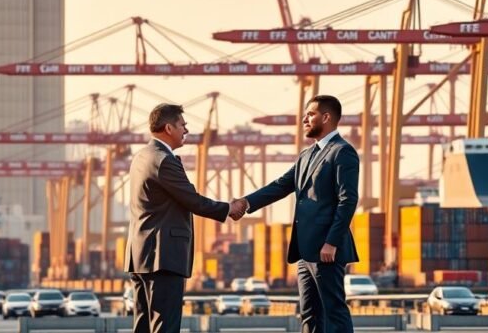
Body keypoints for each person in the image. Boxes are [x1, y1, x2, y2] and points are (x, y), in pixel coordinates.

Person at [233, 95, 359, 333]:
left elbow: (348, 200)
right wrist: (245, 203)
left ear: (327, 117)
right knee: (309, 313)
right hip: (304, 250)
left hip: (326, 250)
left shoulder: (343, 152)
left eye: (310, 114)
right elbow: (280, 186)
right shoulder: (306, 155)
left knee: (334, 311)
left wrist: (331, 242)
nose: (304, 119)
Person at [125, 103, 246, 333]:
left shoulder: (142, 156)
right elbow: (192, 200)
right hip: (163, 255)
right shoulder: (163, 160)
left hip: (140, 254)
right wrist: (228, 208)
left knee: (142, 324)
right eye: (183, 125)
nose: (186, 131)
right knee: (165, 326)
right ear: (168, 128)